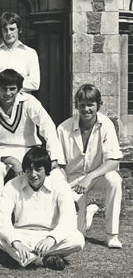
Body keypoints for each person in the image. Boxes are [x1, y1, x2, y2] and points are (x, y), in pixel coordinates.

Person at [0, 147, 84, 270]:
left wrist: (52, 239)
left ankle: (19, 256)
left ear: (46, 170)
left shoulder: (60, 185)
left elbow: (69, 218)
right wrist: (15, 241)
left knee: (78, 240)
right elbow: (1, 217)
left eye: (38, 169)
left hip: (48, 236)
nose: (33, 174)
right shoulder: (12, 185)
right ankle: (40, 259)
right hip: (21, 234)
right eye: (29, 170)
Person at [0, 69, 63, 218]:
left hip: (30, 150)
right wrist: (11, 160)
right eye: (4, 88)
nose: (8, 93)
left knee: (55, 174)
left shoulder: (29, 102)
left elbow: (47, 126)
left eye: (12, 89)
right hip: (3, 152)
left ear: (18, 89)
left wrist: (54, 157)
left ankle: (57, 217)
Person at [55, 84, 123, 248]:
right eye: (82, 105)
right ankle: (89, 212)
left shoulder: (106, 125)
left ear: (99, 105)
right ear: (76, 105)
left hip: (98, 176)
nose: (86, 109)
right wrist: (64, 187)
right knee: (77, 233)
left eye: (90, 105)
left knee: (114, 179)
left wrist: (90, 177)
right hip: (73, 181)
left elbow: (113, 161)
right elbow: (57, 164)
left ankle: (111, 235)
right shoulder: (63, 128)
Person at [0, 12, 40, 95]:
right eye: (5, 30)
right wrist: (23, 78)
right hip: (0, 105)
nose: (9, 33)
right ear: (1, 31)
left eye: (12, 29)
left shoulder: (30, 53)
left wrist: (0, 78)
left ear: (19, 30)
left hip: (23, 103)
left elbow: (34, 84)